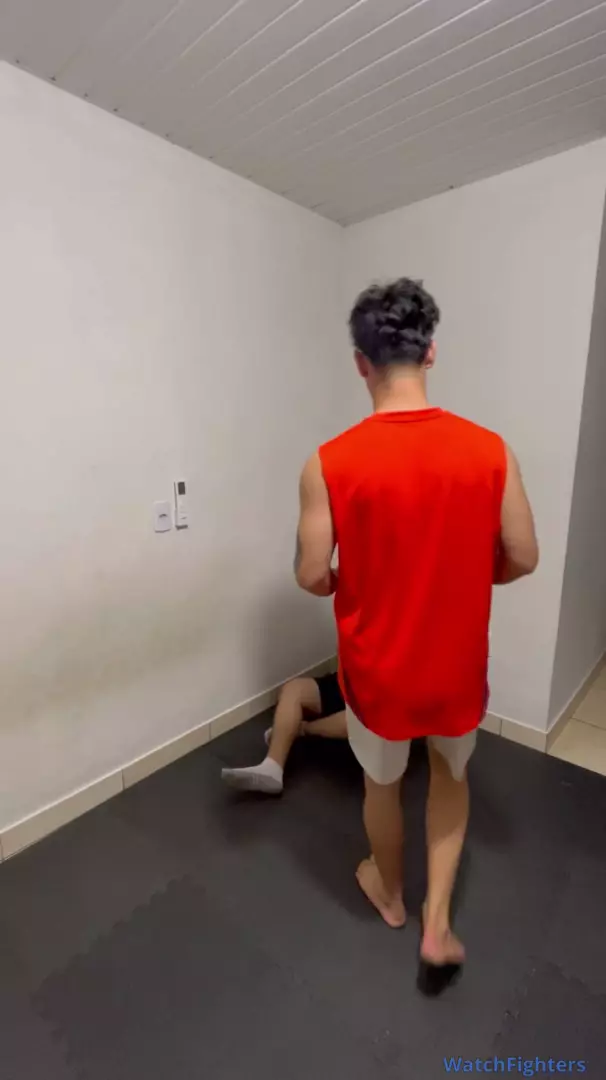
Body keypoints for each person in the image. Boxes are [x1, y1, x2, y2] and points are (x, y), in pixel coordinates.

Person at [294, 278, 538, 994]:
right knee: (450, 779)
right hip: (456, 665)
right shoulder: (491, 450)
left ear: (360, 363)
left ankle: (391, 893)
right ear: (430, 352)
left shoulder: (328, 462)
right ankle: (437, 923)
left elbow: (311, 574)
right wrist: (463, 574)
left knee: (382, 782)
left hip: (378, 670)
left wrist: (344, 583)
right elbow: (523, 557)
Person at [221, 672, 346, 794]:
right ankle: (272, 766)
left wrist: (304, 728)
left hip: (356, 711)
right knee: (294, 689)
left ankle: (302, 729)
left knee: (354, 720)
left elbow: (353, 722)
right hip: (346, 685)